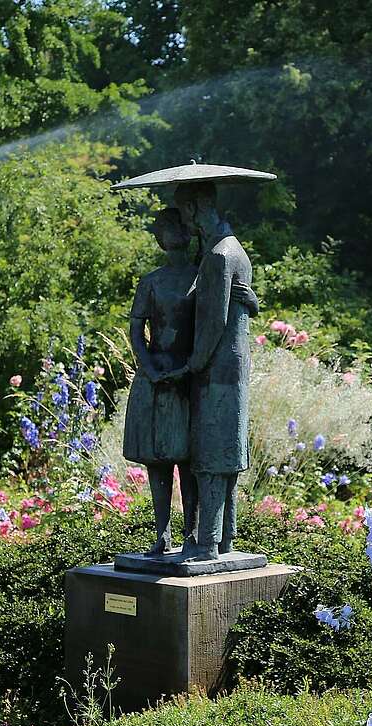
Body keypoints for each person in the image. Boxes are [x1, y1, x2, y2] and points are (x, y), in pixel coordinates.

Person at [123, 207, 258, 556]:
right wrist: (149, 366)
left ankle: (192, 533)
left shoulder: (204, 273)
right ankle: (161, 533)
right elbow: (136, 328)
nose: (175, 233)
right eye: (166, 229)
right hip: (157, 375)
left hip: (188, 376)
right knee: (157, 460)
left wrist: (249, 299)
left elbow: (220, 313)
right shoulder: (151, 281)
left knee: (189, 460)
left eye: (179, 226)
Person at [167, 182, 256, 562]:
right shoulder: (233, 249)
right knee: (227, 454)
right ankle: (225, 540)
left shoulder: (220, 255)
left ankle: (208, 542)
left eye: (185, 212)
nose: (185, 222)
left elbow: (213, 324)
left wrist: (191, 365)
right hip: (231, 370)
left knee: (210, 457)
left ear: (198, 207)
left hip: (216, 371)